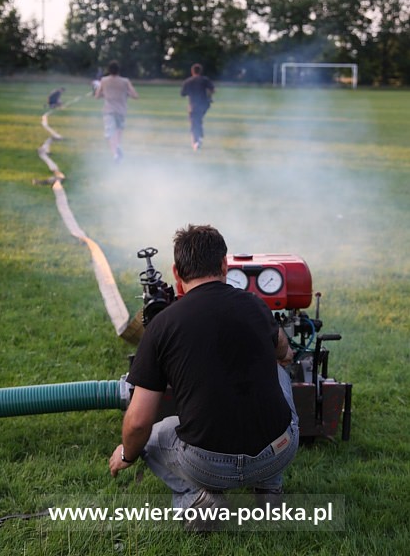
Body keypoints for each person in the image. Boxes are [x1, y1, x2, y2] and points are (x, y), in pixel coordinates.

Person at [109, 224, 299, 530]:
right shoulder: (255, 304)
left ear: (176, 272)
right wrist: (282, 356)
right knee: (281, 375)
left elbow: (139, 421)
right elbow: (283, 351)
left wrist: (127, 455)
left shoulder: (162, 326)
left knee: (155, 434)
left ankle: (199, 503)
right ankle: (269, 486)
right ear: (224, 265)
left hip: (209, 467)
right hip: (277, 452)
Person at [95, 60, 138, 162]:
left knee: (110, 133)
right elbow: (135, 95)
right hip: (121, 111)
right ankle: (118, 146)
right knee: (119, 131)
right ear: (119, 70)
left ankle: (115, 154)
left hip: (108, 110)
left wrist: (106, 94)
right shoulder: (125, 81)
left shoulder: (104, 80)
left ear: (109, 70)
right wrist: (125, 93)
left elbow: (97, 96)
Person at [180, 64, 214, 151]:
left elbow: (183, 94)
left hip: (193, 106)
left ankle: (196, 141)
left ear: (192, 71)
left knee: (194, 123)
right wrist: (209, 97)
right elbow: (212, 90)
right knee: (197, 120)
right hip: (205, 105)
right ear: (200, 71)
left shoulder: (188, 81)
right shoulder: (205, 80)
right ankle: (199, 138)